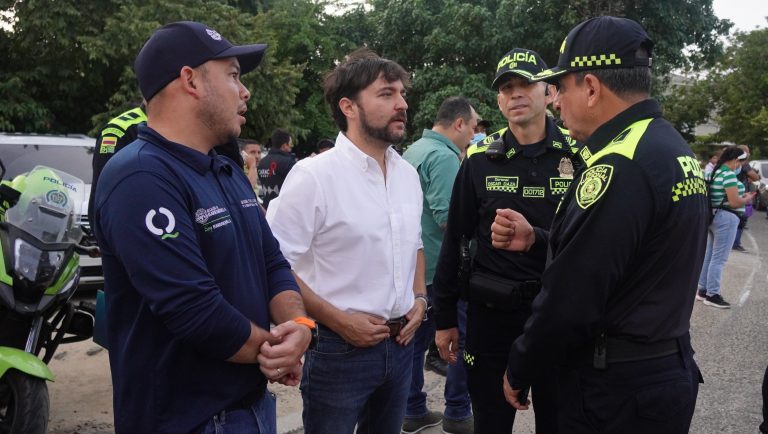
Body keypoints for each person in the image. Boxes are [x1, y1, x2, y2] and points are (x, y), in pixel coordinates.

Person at [490, 17, 708, 433]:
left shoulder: (618, 165)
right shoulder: (668, 146)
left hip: (616, 391)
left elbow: (571, 299)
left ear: (591, 87)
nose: (556, 103)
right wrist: (538, 239)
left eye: (562, 88)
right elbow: (632, 254)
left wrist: (520, 366)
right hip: (661, 369)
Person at [92, 21, 312, 434]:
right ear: (190, 80)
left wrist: (299, 328)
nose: (244, 92)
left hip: (250, 407)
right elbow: (193, 309)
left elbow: (271, 263)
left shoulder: (224, 170)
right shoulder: (140, 177)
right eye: (233, 76)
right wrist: (275, 351)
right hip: (187, 419)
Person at [265, 48, 427, 434]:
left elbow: (415, 245)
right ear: (349, 107)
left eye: (402, 93)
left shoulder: (407, 174)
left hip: (402, 345)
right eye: (386, 94)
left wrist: (421, 299)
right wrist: (338, 320)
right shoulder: (313, 176)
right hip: (339, 352)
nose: (402, 103)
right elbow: (273, 263)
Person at [432, 48, 577, 434]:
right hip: (492, 315)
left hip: (556, 313)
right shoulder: (479, 157)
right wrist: (445, 317)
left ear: (549, 92)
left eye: (526, 84)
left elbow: (590, 241)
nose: (515, 94)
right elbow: (457, 239)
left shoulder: (580, 154)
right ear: (497, 100)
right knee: (491, 424)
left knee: (559, 422)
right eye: (506, 87)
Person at [401, 96, 477, 434]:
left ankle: (413, 408)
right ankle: (458, 412)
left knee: (414, 345)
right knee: (457, 338)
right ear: (458, 124)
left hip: (415, 266)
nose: (474, 136)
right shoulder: (444, 157)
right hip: (439, 269)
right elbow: (452, 220)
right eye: (473, 128)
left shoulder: (414, 150)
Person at [697, 146, 755, 308]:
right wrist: (746, 198)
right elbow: (735, 202)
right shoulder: (728, 175)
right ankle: (712, 294)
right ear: (736, 160)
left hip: (712, 216)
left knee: (709, 255)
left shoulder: (714, 172)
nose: (741, 166)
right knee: (719, 258)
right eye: (741, 162)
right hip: (726, 217)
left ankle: (703, 290)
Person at [731, 144, 760, 252]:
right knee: (741, 218)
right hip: (741, 193)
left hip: (734, 191)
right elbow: (754, 176)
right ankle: (736, 243)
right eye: (748, 152)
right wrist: (757, 176)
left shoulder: (732, 161)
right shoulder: (744, 164)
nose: (749, 154)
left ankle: (734, 241)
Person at [258, 128, 295, 208]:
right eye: (291, 145)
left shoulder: (262, 162)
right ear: (284, 145)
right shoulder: (288, 162)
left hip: (267, 208)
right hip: (283, 209)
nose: (291, 148)